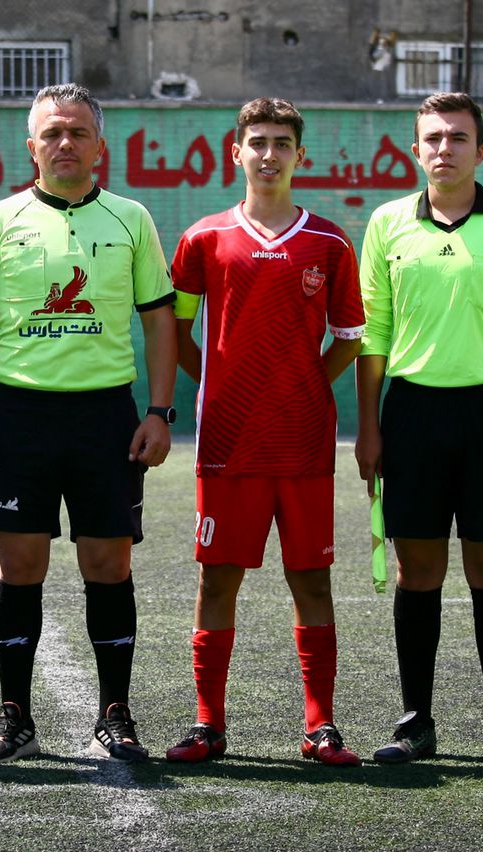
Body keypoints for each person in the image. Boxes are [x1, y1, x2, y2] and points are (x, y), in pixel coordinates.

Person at [0, 83, 177, 764]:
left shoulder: (131, 218)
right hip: (19, 416)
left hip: (106, 416)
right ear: (32, 146)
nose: (65, 143)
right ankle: (14, 715)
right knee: (20, 563)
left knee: (108, 562)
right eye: (52, 132)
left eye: (78, 132)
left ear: (99, 145)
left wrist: (159, 411)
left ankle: (115, 712)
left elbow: (159, 322)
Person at [355, 92, 483, 767]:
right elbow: (373, 332)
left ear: (481, 150)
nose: (445, 148)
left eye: (459, 137)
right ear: (416, 150)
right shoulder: (387, 223)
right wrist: (368, 427)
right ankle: (417, 722)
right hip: (411, 415)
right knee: (417, 572)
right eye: (434, 138)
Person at [164, 98, 365, 767]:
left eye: (282, 143)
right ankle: (207, 724)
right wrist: (220, 383)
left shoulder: (329, 242)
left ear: (300, 155)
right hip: (227, 443)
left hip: (304, 443)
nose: (269, 154)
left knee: (312, 582)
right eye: (258, 142)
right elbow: (177, 333)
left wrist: (304, 384)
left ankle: (320, 726)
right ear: (237, 152)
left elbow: (349, 339)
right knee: (217, 581)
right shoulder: (203, 239)